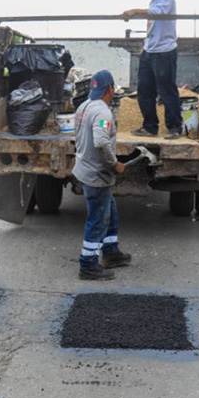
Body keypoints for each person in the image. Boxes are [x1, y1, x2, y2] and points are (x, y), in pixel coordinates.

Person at [73, 70, 133, 280]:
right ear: (110, 88)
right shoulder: (103, 113)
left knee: (110, 211)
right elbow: (100, 142)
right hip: (96, 173)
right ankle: (88, 264)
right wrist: (114, 163)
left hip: (84, 167)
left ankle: (111, 252)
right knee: (98, 218)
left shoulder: (83, 107)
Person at [122, 0, 180, 139]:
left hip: (164, 51)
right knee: (145, 90)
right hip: (150, 50)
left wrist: (134, 11)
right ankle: (150, 127)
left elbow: (155, 13)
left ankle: (175, 127)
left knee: (166, 90)